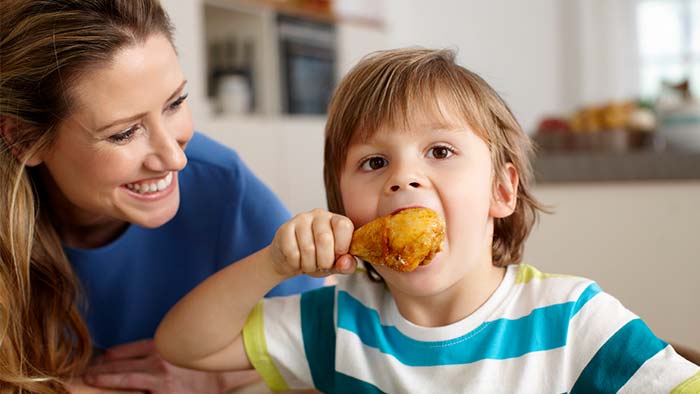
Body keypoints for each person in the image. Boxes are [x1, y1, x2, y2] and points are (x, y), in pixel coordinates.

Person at [155, 48, 700, 392]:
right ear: (346, 209)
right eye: (374, 162)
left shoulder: (573, 322)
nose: (403, 178)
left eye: (439, 151)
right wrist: (274, 263)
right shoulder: (338, 326)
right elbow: (185, 345)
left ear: (502, 189)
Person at [0, 0, 323, 392]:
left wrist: (217, 375)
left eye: (176, 103)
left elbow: (322, 345)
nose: (175, 157)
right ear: (23, 138)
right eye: (124, 133)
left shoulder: (223, 187)